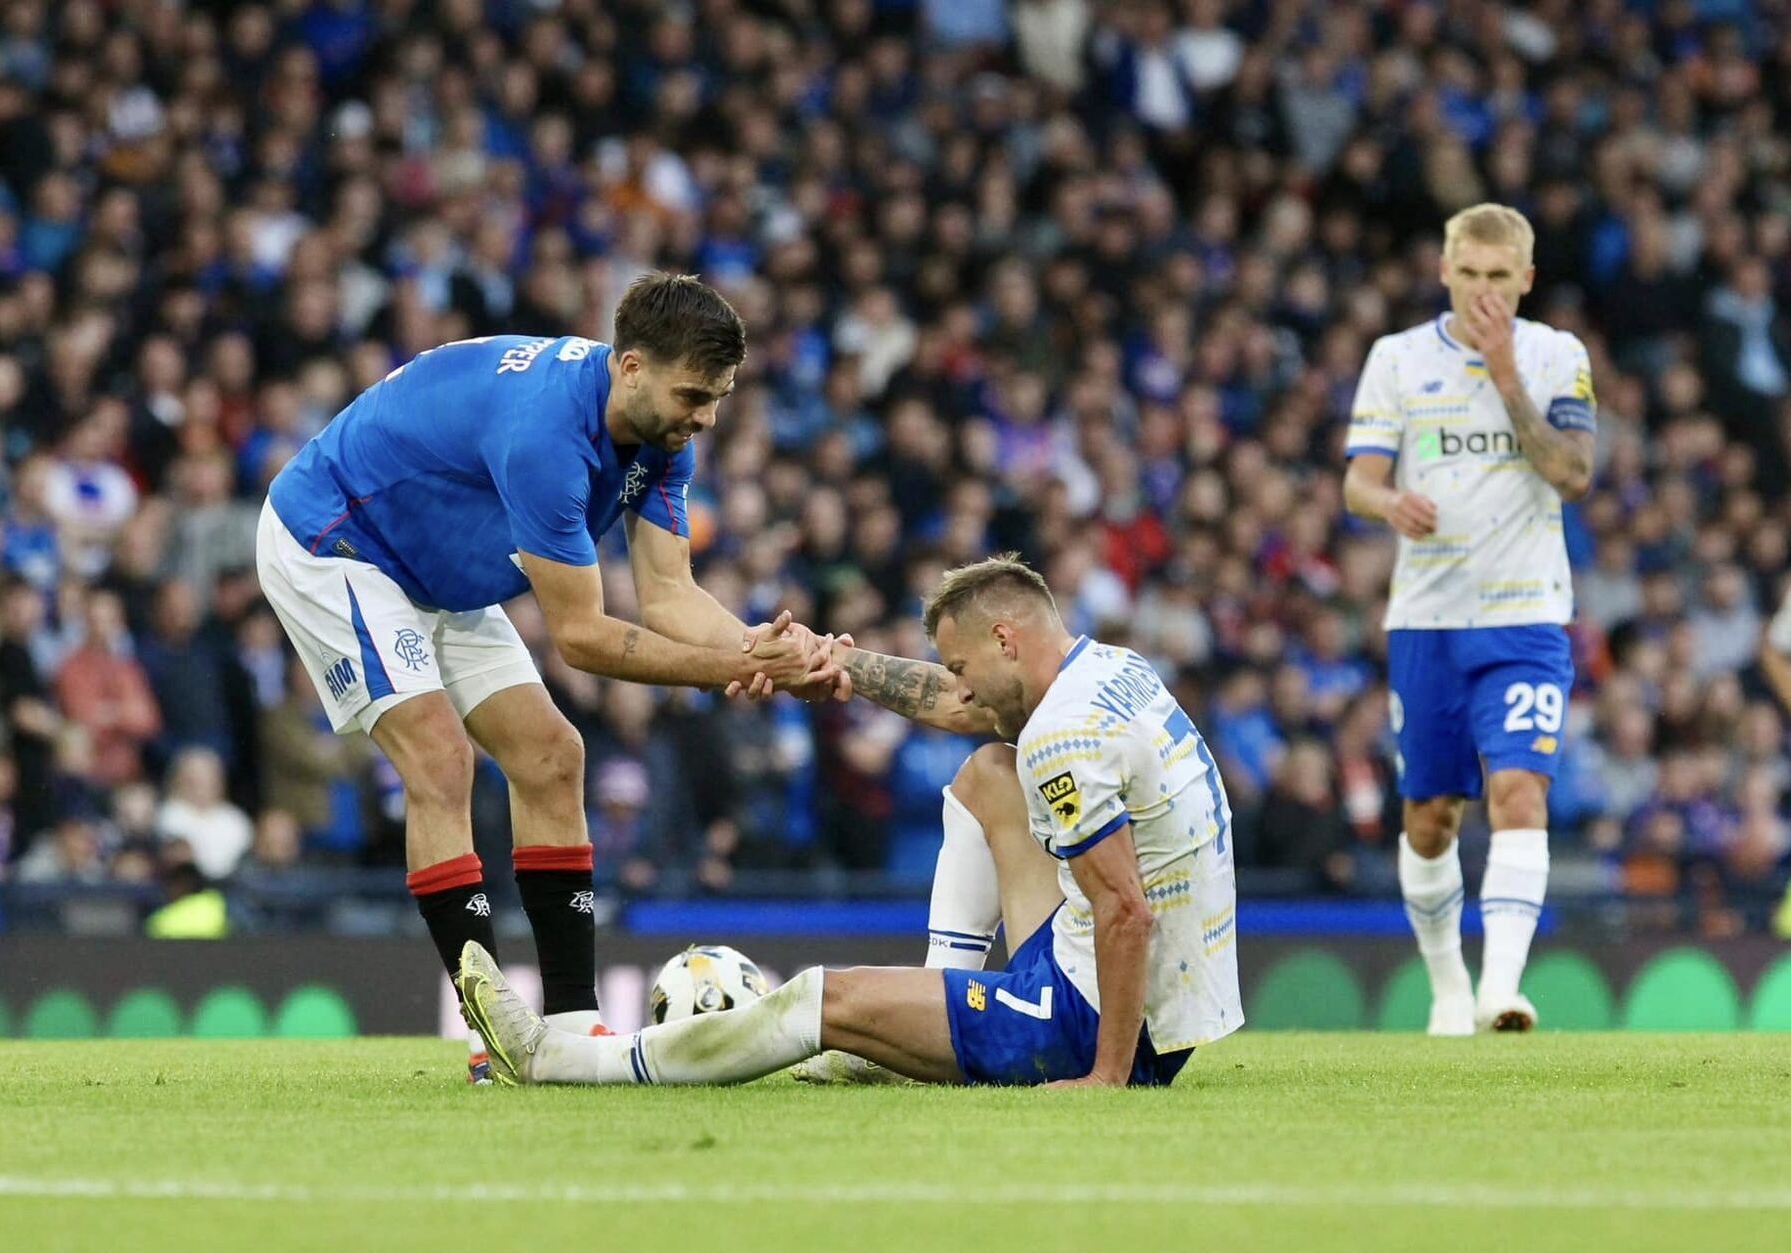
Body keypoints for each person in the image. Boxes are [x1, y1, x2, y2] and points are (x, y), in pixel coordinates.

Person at [257, 272, 841, 1049]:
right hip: (337, 541)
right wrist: (735, 672)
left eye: (718, 399)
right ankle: (489, 1034)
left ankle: (570, 1030)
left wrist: (759, 646)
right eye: (694, 396)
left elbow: (668, 594)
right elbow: (583, 638)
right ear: (631, 367)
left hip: (440, 569)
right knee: (440, 759)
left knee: (553, 756)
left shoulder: (662, 434)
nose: (705, 419)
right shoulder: (546, 436)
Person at [458, 556, 1242, 1088]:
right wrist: (840, 664)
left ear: (1005, 639)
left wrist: (1108, 1077)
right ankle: (940, 1006)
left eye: (965, 668)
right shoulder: (1109, 671)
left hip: (1099, 1018)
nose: (961, 690)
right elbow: (951, 704)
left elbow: (1126, 910)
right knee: (988, 776)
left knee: (819, 1000)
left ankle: (561, 1061)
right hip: (1160, 999)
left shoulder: (1064, 738)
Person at [1341, 203, 1597, 1036]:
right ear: (1445, 270)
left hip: (1526, 615)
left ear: (1526, 278)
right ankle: (1449, 987)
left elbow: (1572, 475)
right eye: (1470, 274)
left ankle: (1502, 990)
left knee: (1519, 791)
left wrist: (1505, 374)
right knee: (1430, 816)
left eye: (1501, 278)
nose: (1485, 292)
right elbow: (1359, 481)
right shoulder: (1398, 358)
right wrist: (1388, 502)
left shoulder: (1557, 355)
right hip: (1428, 618)